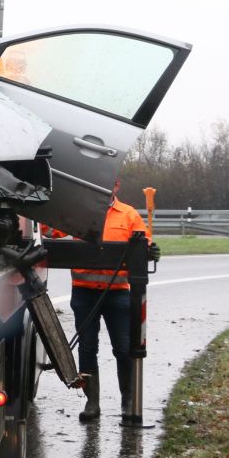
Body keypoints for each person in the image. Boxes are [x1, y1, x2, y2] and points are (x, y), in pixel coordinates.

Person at [52, 180, 158, 422]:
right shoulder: (79, 214)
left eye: (108, 184)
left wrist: (150, 249)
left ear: (117, 186)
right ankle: (92, 403)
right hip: (84, 293)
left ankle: (128, 401)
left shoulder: (129, 215)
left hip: (117, 293)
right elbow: (51, 230)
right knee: (87, 348)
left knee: (123, 348)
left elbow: (145, 242)